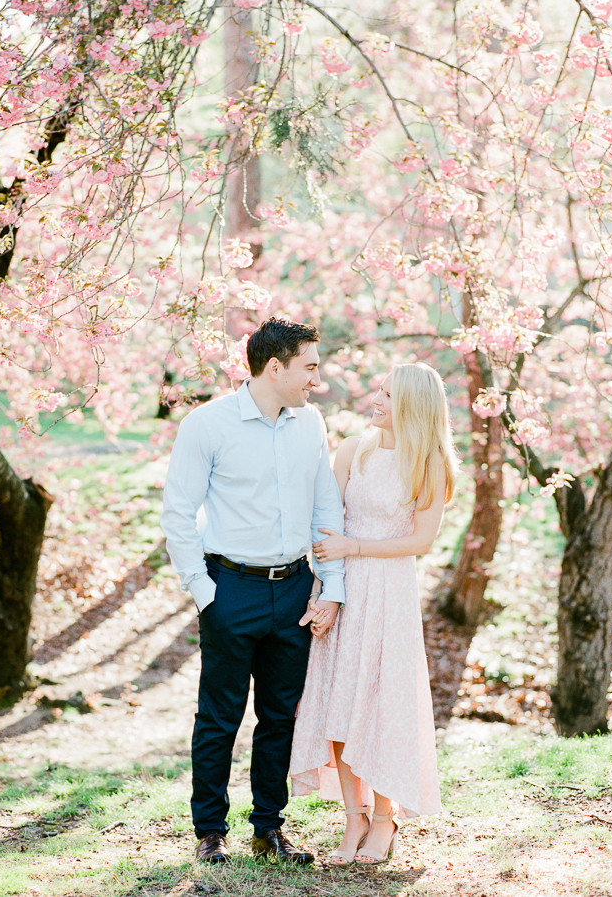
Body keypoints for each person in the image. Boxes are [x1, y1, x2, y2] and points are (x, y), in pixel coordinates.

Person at [160, 317, 345, 865]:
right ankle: (210, 831)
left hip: (294, 590)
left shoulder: (311, 423)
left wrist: (330, 586)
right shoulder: (208, 424)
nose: (317, 377)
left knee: (280, 715)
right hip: (229, 589)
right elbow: (178, 513)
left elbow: (325, 506)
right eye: (309, 366)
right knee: (219, 716)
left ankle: (269, 827)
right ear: (275, 367)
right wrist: (203, 591)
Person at [290, 361, 458, 864]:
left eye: (388, 396)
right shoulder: (351, 449)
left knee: (383, 708)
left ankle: (385, 819)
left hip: (390, 596)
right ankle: (353, 816)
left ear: (413, 407)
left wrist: (354, 547)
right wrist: (326, 593)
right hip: (344, 588)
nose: (376, 400)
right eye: (379, 390)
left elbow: (421, 541)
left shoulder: (428, 463)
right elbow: (325, 521)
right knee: (338, 706)